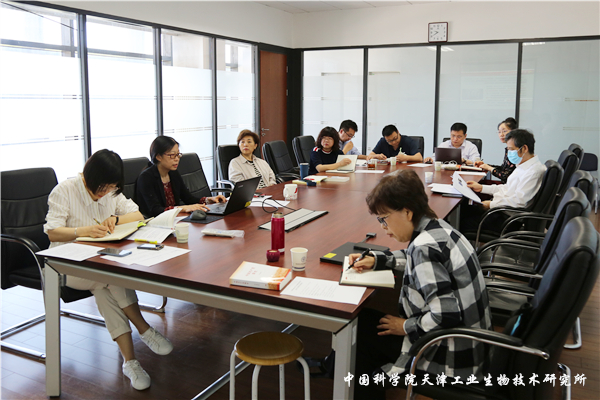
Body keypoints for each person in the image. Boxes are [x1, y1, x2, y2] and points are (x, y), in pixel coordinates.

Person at [309, 170, 492, 400]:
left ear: (407, 212)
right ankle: (334, 366)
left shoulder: (424, 248)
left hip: (450, 356)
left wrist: (405, 326)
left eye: (384, 219)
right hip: (472, 346)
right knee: (364, 324)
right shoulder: (439, 230)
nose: (383, 227)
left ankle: (343, 374)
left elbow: (445, 315)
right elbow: (414, 258)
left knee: (359, 339)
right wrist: (378, 259)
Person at [44, 149, 173, 391]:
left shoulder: (111, 191)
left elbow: (137, 213)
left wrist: (115, 218)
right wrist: (83, 231)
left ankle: (130, 362)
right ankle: (144, 328)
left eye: (111, 188)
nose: (105, 193)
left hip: (99, 262)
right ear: (89, 177)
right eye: (102, 188)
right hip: (65, 264)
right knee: (112, 277)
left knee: (107, 286)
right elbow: (52, 232)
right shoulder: (65, 190)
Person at [460, 129, 546, 233]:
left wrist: (491, 205)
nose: (509, 153)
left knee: (461, 221)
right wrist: (481, 188)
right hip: (501, 211)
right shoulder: (523, 165)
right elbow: (507, 188)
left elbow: (519, 202)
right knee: (463, 209)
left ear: (524, 148)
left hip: (506, 219)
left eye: (511, 149)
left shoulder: (533, 172)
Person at [136, 136, 226, 218]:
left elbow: (188, 199)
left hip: (175, 219)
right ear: (159, 156)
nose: (177, 159)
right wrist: (183, 208)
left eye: (178, 155)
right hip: (155, 222)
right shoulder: (146, 177)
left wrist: (209, 200)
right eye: (172, 155)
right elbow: (155, 210)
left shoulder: (173, 173)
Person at [475, 117, 518, 184]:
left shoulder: (515, 151)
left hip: (510, 186)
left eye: (504, 131)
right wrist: (485, 165)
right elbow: (503, 169)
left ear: (513, 132)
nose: (501, 134)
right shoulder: (508, 149)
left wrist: (489, 168)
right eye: (499, 132)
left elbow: (505, 176)